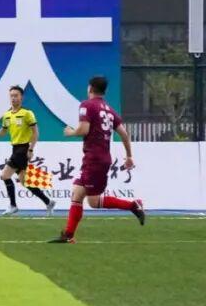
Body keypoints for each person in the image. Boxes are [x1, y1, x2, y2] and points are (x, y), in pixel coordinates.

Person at [50, 76, 145, 244]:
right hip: (99, 158)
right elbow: (124, 133)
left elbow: (83, 130)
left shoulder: (87, 105)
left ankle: (133, 205)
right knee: (77, 193)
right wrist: (129, 156)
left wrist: (71, 132)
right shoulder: (109, 109)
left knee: (93, 201)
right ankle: (68, 234)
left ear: (90, 88)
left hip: (94, 159)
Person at [0, 85, 56, 217]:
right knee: (24, 181)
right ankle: (48, 202)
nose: (13, 98)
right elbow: (3, 131)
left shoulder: (27, 113)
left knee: (4, 176)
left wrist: (31, 149)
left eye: (16, 95)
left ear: (21, 97)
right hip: (15, 148)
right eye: (11, 96)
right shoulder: (7, 115)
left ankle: (13, 206)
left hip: (23, 148)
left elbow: (35, 133)